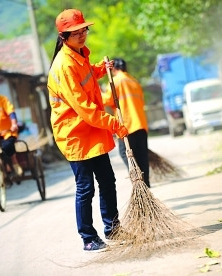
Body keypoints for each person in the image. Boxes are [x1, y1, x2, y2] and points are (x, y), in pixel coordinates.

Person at [47, 8, 128, 251]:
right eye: (75, 32)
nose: (82, 35)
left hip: (90, 130)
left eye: (83, 30)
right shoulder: (63, 65)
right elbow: (83, 107)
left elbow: (87, 75)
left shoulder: (79, 55)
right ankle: (88, 237)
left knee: (107, 180)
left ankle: (112, 227)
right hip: (74, 133)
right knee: (86, 187)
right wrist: (113, 124)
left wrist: (100, 70)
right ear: (64, 36)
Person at [102, 58, 150, 188]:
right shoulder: (134, 81)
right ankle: (146, 185)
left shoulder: (116, 81)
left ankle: (138, 183)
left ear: (113, 69)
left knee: (126, 154)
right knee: (142, 155)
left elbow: (106, 100)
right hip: (140, 123)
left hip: (126, 125)